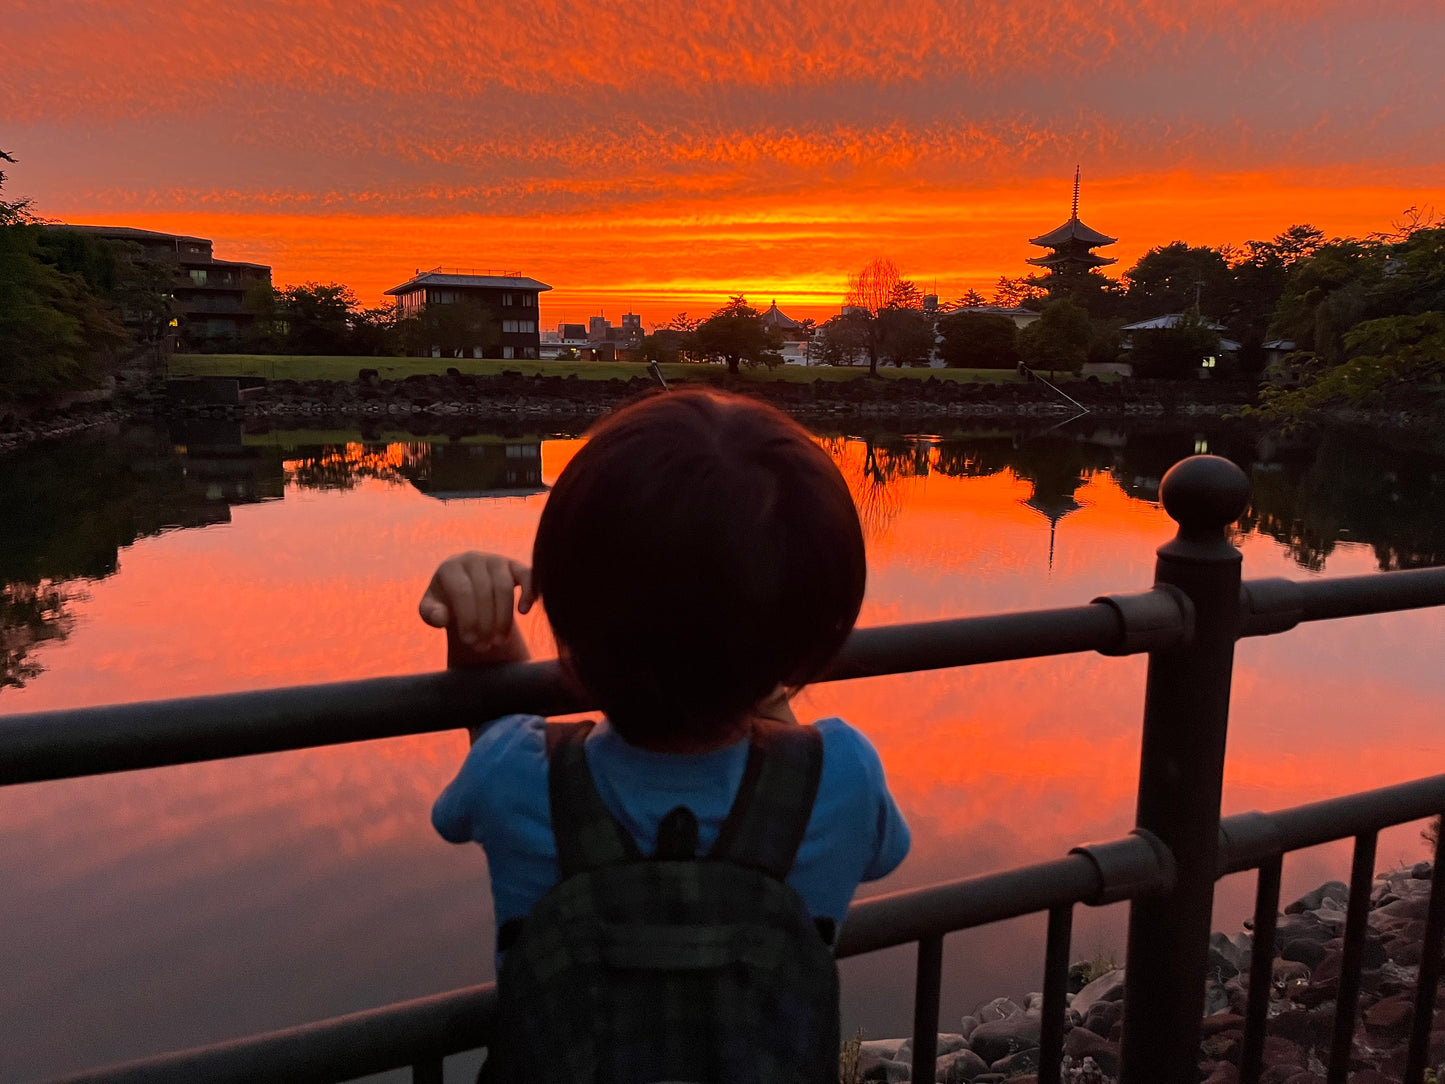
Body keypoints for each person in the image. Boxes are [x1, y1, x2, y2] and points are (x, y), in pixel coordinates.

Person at [423, 389, 909, 1081]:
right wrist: (762, 653)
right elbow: (875, 846)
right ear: (820, 639)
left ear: (566, 612)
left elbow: (485, 762)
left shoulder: (514, 770)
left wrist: (486, 636)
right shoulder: (844, 774)